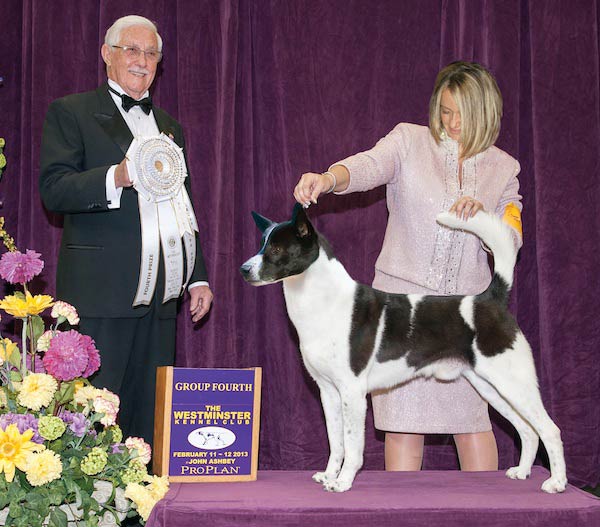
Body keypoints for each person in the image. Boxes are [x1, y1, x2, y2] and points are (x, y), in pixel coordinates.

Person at [293, 61, 522, 471]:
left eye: (462, 115)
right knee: (402, 427)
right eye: (445, 111)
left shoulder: (504, 169)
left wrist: (486, 218)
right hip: (399, 315)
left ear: (486, 114)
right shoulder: (408, 141)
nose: (451, 123)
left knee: (473, 425)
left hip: (465, 316)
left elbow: (512, 235)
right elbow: (366, 166)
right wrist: (329, 178)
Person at [39, 15, 213, 446]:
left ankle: (143, 509)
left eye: (151, 53)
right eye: (131, 50)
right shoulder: (71, 111)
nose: (141, 61)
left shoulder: (171, 126)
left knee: (147, 416)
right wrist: (115, 177)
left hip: (161, 296)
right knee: (91, 417)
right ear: (107, 55)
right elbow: (54, 190)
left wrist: (198, 275)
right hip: (99, 292)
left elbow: (183, 205)